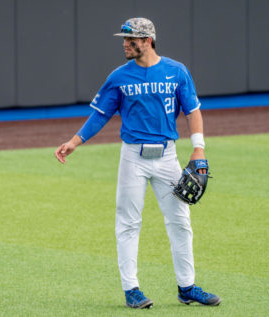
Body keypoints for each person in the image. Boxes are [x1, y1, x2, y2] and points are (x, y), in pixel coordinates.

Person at [55, 17, 221, 309]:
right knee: (129, 223)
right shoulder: (119, 77)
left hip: (168, 156)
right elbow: (101, 115)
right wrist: (75, 141)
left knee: (180, 222)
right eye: (124, 39)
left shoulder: (176, 71)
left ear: (147, 41)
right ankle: (131, 289)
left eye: (130, 39)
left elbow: (193, 111)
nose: (124, 44)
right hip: (133, 157)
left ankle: (187, 287)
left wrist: (199, 150)